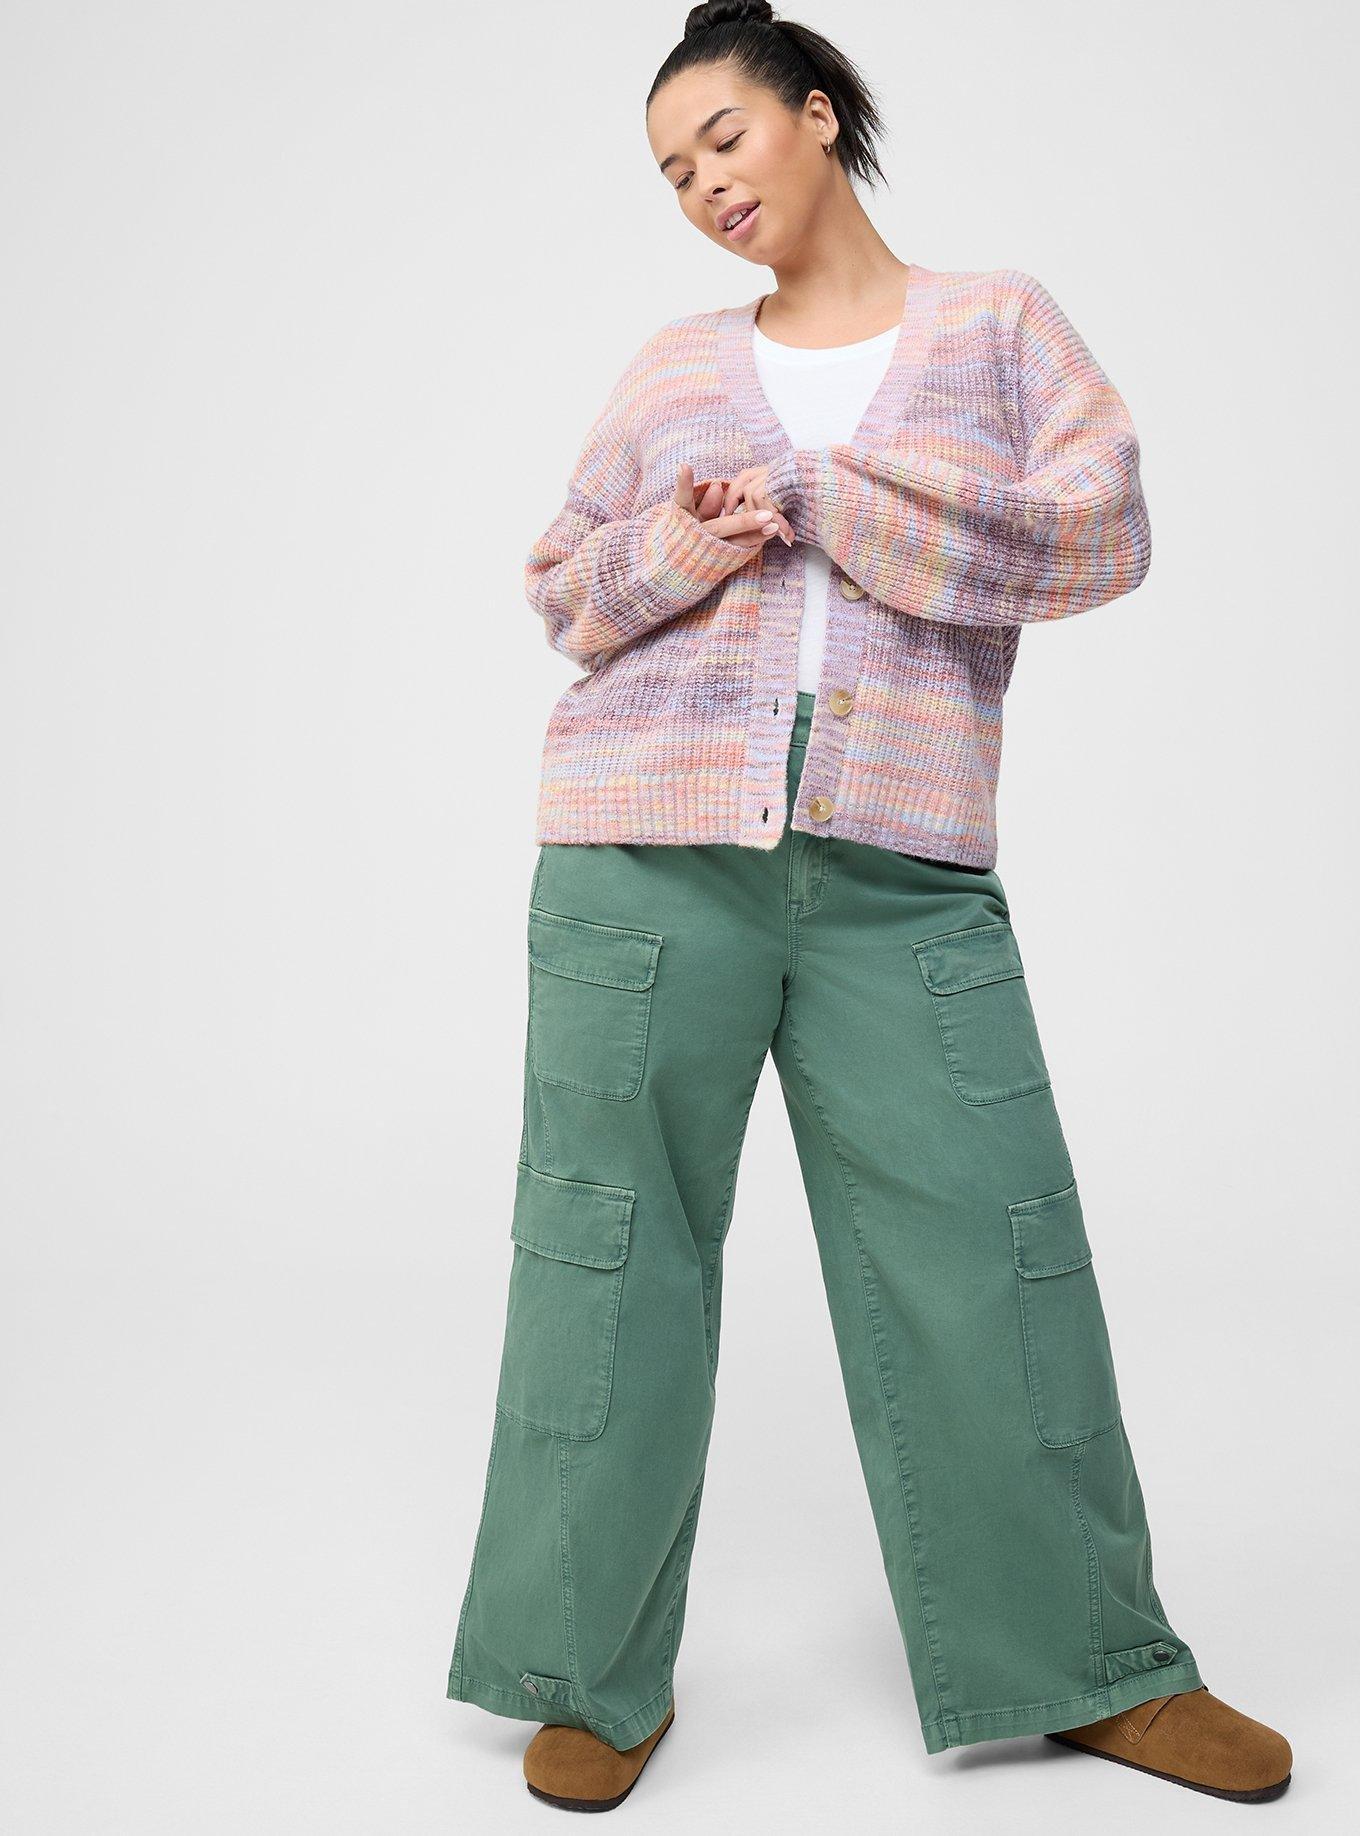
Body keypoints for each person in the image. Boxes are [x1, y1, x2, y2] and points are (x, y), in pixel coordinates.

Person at [446, 0, 1293, 1810]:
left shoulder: (998, 327)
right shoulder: (673, 365)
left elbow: (1099, 531)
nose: (703, 186)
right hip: (641, 850)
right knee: (607, 1253)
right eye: (671, 172)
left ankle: (1092, 1662)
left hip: (901, 874)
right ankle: (588, 1673)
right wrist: (690, 538)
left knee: (994, 1244)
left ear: (819, 115)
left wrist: (829, 499)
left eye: (724, 139)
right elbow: (567, 592)